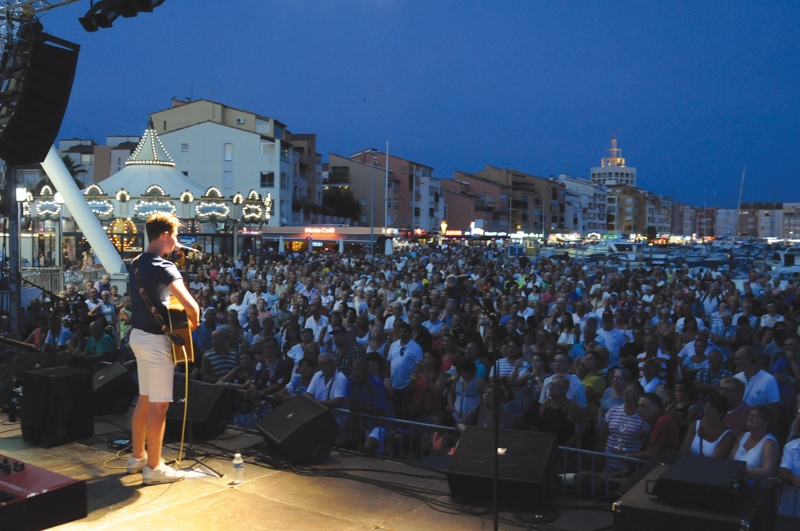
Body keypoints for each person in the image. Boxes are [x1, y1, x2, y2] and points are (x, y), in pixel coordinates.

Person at [127, 212, 199, 485]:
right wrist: (193, 324)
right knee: (159, 406)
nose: (176, 242)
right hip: (157, 342)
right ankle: (155, 468)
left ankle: (137, 457)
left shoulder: (135, 262)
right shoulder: (164, 266)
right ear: (166, 235)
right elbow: (191, 306)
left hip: (138, 337)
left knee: (145, 398)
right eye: (176, 236)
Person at [729, 405, 780, 482]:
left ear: (766, 422)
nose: (750, 417)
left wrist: (740, 470)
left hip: (755, 487)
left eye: (755, 416)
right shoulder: (742, 436)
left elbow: (768, 471)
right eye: (749, 414)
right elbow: (730, 460)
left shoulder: (769, 443)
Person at [679, 392, 735, 458]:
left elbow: (714, 460)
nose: (705, 410)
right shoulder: (695, 425)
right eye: (705, 406)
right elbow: (683, 451)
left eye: (710, 408)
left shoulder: (726, 436)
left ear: (721, 413)